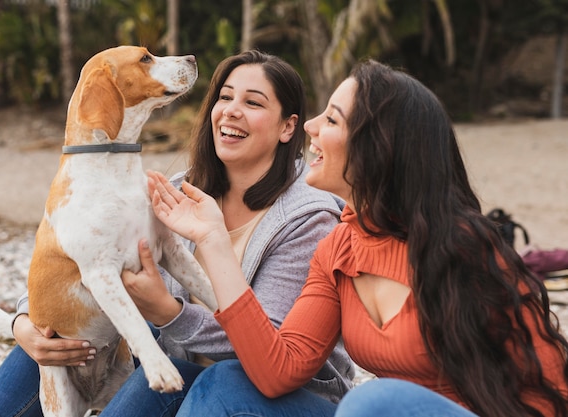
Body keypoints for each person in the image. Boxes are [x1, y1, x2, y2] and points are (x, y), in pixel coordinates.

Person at [143, 59, 568, 417]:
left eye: (331, 119)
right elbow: (277, 371)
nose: (309, 125)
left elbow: (549, 384)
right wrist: (214, 241)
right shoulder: (339, 249)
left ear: (377, 146)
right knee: (213, 384)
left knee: (374, 400)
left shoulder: (462, 247)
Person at [0, 50, 355, 417]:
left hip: (272, 394)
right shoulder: (179, 188)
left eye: (253, 103)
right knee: (55, 345)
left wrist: (168, 314)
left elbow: (273, 350)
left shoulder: (308, 219)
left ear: (288, 127)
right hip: (177, 367)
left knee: (194, 379)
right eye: (225, 97)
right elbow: (77, 256)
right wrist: (24, 325)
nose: (231, 111)